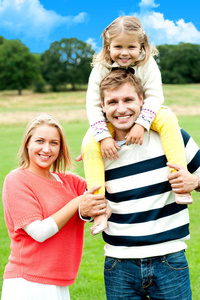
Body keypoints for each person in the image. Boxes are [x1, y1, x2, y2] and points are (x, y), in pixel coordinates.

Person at [93, 69, 200, 299]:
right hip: (118, 265)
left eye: (128, 99)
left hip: (169, 260)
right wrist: (85, 211)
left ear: (142, 100)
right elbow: (90, 201)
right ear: (102, 106)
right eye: (113, 101)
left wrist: (194, 181)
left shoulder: (173, 137)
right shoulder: (98, 150)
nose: (121, 109)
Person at [81, 15, 192, 235]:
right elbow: (94, 107)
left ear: (141, 46)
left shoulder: (147, 64)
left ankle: (179, 180)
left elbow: (154, 97)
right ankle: (99, 209)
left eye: (131, 46)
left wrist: (141, 124)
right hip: (109, 121)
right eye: (117, 47)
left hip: (147, 112)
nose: (124, 52)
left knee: (168, 118)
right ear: (107, 46)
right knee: (88, 142)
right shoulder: (100, 68)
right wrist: (103, 138)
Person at [1, 113, 107, 300]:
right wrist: (77, 202)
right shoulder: (17, 179)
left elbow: (105, 194)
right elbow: (39, 232)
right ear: (27, 143)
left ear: (60, 148)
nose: (46, 149)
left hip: (60, 283)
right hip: (27, 284)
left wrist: (93, 157)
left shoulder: (71, 182)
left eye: (54, 143)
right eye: (40, 141)